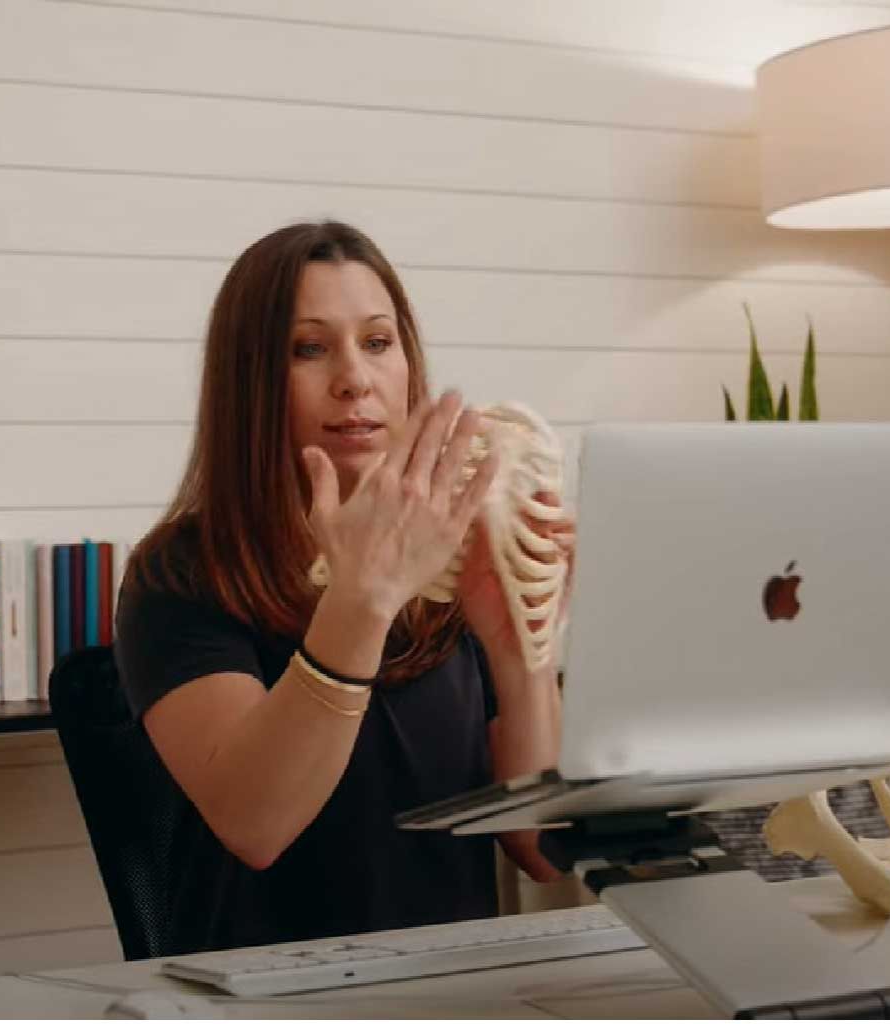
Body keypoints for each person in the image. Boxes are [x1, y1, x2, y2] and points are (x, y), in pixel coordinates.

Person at [114, 220, 568, 956]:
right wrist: (366, 596)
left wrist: (521, 641)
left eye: (378, 342)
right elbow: (257, 823)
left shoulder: (458, 557)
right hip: (275, 989)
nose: (355, 378)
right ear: (250, 382)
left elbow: (543, 846)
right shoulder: (180, 574)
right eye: (309, 349)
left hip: (454, 985)